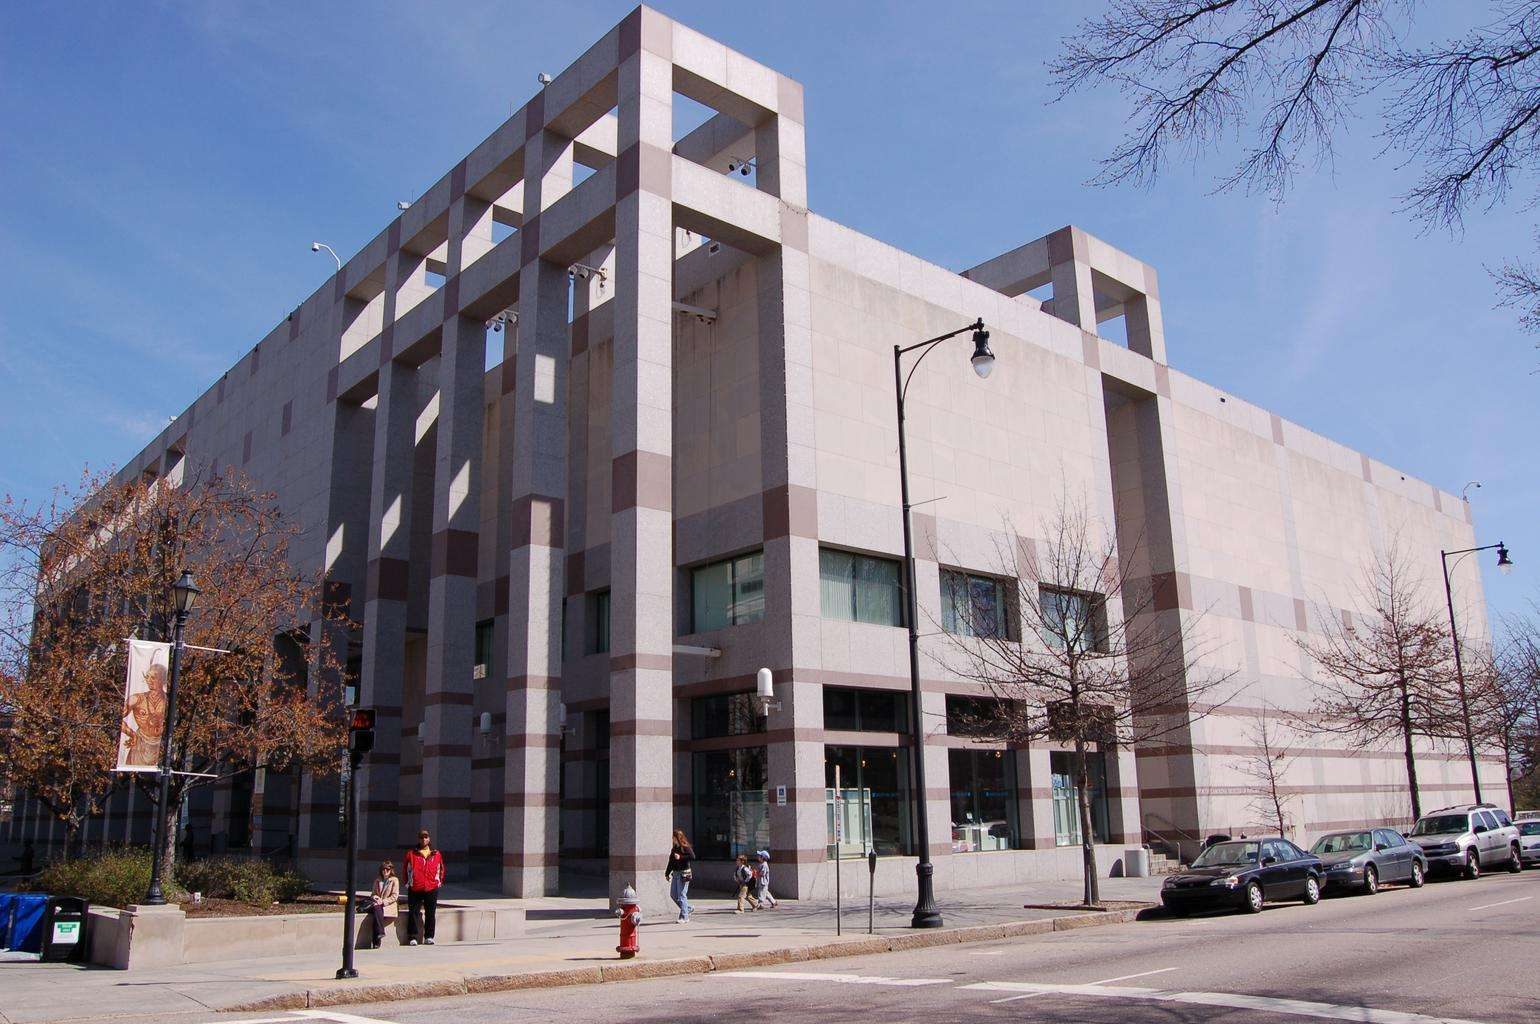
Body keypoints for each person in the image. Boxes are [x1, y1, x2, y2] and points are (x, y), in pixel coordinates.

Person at [402, 828, 444, 946]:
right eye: (421, 837)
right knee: (414, 912)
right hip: (415, 887)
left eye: (426, 837)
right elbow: (406, 869)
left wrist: (438, 882)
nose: (424, 839)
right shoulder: (411, 854)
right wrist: (407, 883)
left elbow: (440, 868)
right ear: (419, 839)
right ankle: (412, 937)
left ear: (429, 839)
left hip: (431, 887)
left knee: (430, 913)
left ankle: (429, 936)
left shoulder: (436, 854)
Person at [664, 828, 694, 923]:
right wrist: (667, 873)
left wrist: (680, 857)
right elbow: (671, 862)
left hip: (684, 873)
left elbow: (692, 856)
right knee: (673, 895)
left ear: (677, 837)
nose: (672, 839)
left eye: (673, 837)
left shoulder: (685, 847)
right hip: (676, 873)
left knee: (681, 895)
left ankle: (684, 917)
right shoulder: (674, 848)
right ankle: (687, 908)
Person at [369, 860, 400, 948]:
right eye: (383, 869)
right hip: (378, 904)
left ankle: (376, 942)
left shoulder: (394, 880)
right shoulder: (377, 880)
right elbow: (373, 893)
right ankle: (380, 934)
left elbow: (395, 896)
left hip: (388, 904)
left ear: (391, 870)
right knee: (377, 910)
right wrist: (375, 897)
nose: (385, 871)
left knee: (377, 912)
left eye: (387, 869)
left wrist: (383, 901)